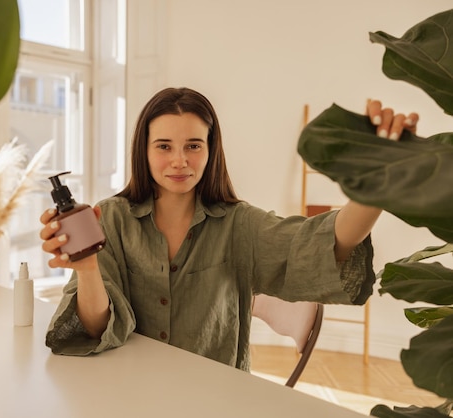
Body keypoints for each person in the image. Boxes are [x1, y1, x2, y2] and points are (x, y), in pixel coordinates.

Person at [39, 87, 418, 370]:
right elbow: (94, 327)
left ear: (210, 149)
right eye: (164, 146)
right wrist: (87, 268)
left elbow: (324, 243)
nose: (179, 161)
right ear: (144, 150)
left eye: (193, 145)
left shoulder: (239, 226)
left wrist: (378, 182)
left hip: (217, 402)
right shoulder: (112, 219)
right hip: (128, 394)